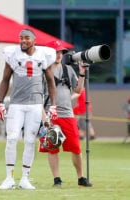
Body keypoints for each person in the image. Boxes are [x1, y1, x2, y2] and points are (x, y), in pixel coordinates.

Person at [0, 29, 58, 190]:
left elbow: (51, 81)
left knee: (30, 140)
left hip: (36, 104)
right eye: (21, 38)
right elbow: (5, 80)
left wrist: (53, 105)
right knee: (12, 138)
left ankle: (25, 178)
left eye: (26, 38)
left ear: (34, 40)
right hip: (16, 103)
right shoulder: (12, 54)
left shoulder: (44, 55)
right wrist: (0, 102)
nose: (23, 41)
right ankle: (9, 177)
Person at [39, 40, 92, 187]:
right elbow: (38, 97)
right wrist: (44, 118)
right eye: (56, 52)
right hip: (50, 115)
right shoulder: (43, 71)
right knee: (52, 148)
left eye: (60, 52)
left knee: (75, 147)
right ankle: (57, 179)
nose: (59, 55)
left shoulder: (68, 69)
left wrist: (82, 74)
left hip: (68, 115)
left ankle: (81, 177)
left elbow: (78, 90)